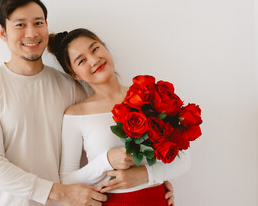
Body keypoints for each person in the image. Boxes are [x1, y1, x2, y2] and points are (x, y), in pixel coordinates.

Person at [0, 0, 175, 206]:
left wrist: (151, 179)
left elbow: (93, 150)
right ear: (2, 32)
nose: (31, 33)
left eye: (38, 23)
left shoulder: (70, 86)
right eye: (20, 25)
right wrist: (61, 192)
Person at [48, 29, 191, 206]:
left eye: (95, 49)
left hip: (157, 200)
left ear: (105, 48)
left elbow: (183, 160)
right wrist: (106, 160)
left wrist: (145, 175)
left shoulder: (150, 96)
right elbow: (67, 181)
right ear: (74, 74)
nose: (94, 60)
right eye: (82, 60)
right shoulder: (76, 115)